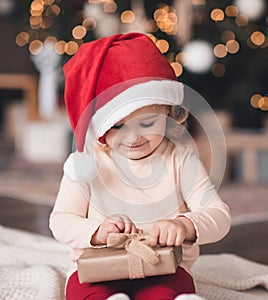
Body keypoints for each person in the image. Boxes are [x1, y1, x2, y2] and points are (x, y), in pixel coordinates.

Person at [49, 32, 231, 300]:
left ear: (169, 115)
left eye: (147, 124)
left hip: (163, 266)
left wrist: (186, 225)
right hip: (97, 266)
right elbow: (60, 221)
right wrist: (97, 232)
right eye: (118, 126)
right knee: (87, 291)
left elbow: (219, 215)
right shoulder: (88, 164)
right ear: (100, 128)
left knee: (168, 289)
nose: (133, 138)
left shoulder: (180, 158)